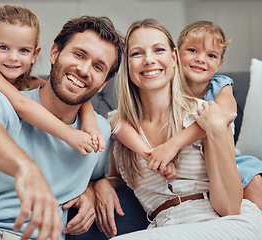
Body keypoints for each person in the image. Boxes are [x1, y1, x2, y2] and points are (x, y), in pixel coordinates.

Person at [0, 15, 124, 240]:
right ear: (54, 53)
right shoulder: (5, 98)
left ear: (103, 83)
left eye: (98, 66)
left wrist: (95, 187)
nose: (83, 69)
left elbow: (100, 174)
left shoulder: (99, 132)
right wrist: (25, 168)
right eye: (79, 54)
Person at [94, 19, 262, 239]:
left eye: (159, 50)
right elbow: (117, 178)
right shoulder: (120, 131)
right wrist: (100, 186)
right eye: (137, 53)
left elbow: (230, 209)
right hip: (163, 227)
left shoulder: (206, 115)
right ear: (126, 64)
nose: (149, 60)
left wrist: (217, 129)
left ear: (173, 57)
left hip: (222, 224)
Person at [0, 5, 105, 185]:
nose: (13, 57)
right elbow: (21, 105)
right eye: (4, 47)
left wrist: (90, 122)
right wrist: (69, 135)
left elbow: (66, 92)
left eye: (23, 50)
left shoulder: (27, 82)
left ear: (34, 54)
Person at [177, 20, 262, 211]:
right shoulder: (169, 88)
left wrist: (174, 143)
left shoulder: (220, 85)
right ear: (176, 54)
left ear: (220, 64)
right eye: (192, 50)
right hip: (192, 167)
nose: (200, 59)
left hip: (226, 159)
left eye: (211, 55)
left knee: (255, 182)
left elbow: (221, 117)